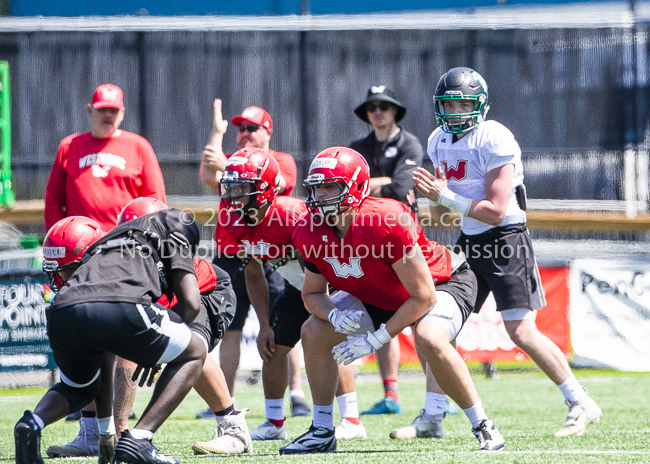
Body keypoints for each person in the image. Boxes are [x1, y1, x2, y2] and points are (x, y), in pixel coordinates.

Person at [414, 66, 602, 438]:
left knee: (520, 330)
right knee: (437, 325)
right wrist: (423, 208)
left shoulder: (494, 137)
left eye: (463, 104)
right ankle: (432, 417)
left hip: (505, 241)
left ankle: (580, 401)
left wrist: (442, 197)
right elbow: (448, 202)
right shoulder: (438, 139)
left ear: (480, 105)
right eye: (449, 105)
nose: (455, 113)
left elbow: (495, 210)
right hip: (468, 242)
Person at [281, 147, 505, 455]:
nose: (320, 194)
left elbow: (423, 295)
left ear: (356, 187)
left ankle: (482, 424)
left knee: (429, 337)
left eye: (330, 185)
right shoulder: (308, 230)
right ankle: (321, 429)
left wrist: (376, 339)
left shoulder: (386, 218)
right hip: (377, 290)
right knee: (314, 330)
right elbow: (313, 294)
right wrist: (333, 316)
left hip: (441, 281)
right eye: (316, 186)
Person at [45, 197, 253, 458]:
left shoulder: (144, 266)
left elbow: (184, 310)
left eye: (71, 269)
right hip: (172, 297)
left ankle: (233, 428)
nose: (63, 279)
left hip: (204, 294)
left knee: (191, 347)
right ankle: (90, 433)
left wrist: (120, 430)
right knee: (93, 347)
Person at [15, 208, 205, 464]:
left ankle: (32, 423)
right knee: (195, 352)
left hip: (61, 312)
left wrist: (106, 441)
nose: (61, 277)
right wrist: (158, 352)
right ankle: (139, 438)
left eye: (67, 270)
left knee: (78, 387)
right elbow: (192, 304)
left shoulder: (111, 242)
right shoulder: (174, 228)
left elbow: (104, 361)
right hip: (120, 305)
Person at [217, 148, 366, 441]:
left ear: (265, 187)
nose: (233, 194)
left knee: (328, 345)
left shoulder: (290, 213)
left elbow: (319, 258)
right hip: (296, 288)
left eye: (242, 186)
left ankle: (351, 419)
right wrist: (263, 325)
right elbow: (253, 272)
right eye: (231, 186)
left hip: (329, 284)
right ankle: (274, 423)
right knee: (272, 349)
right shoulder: (234, 221)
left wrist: (323, 301)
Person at [199, 100, 310, 418]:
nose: (244, 133)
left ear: (268, 131)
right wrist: (217, 134)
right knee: (236, 328)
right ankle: (227, 399)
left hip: (283, 253)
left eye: (251, 128)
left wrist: (228, 162)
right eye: (239, 129)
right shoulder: (235, 209)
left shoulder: (282, 164)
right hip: (243, 248)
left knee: (306, 326)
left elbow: (276, 187)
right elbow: (210, 175)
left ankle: (301, 395)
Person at [349, 85, 425, 416]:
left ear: (395, 111)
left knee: (423, 318)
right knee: (384, 320)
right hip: (368, 243)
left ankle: (439, 391)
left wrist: (366, 184)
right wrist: (385, 182)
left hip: (407, 240)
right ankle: (390, 395)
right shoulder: (357, 148)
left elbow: (400, 187)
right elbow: (359, 192)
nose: (377, 111)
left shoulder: (409, 144)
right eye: (371, 107)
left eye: (384, 106)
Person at [44, 83, 166, 233]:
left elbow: (155, 199)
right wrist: (60, 237)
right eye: (102, 109)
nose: (108, 115)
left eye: (113, 110)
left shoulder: (139, 146)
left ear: (122, 112)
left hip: (127, 241)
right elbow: (53, 201)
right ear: (90, 110)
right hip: (81, 242)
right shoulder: (69, 146)